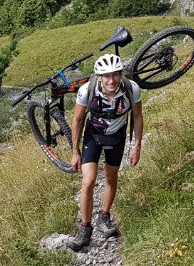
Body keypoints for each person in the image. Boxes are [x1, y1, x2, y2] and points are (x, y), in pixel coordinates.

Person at [65, 52, 144, 251]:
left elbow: (137, 117)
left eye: (116, 74)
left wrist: (137, 146)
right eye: (106, 75)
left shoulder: (131, 89)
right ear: (99, 76)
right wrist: (75, 152)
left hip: (117, 136)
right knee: (88, 181)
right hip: (94, 136)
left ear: (121, 74)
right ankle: (85, 229)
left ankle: (104, 216)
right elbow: (77, 120)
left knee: (111, 177)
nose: (112, 80)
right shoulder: (86, 91)